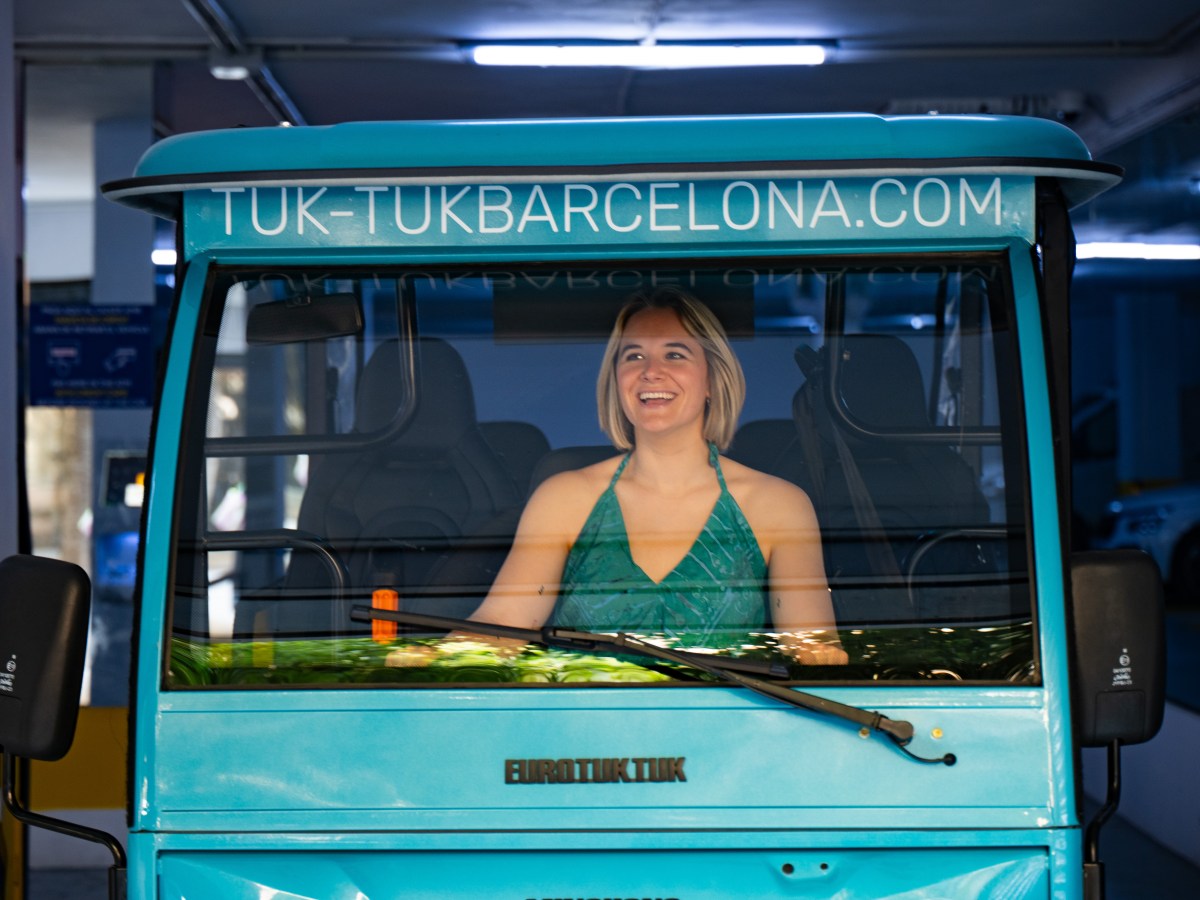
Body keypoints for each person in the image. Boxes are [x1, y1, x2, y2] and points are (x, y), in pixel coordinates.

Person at [390, 287, 848, 666]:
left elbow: (811, 650)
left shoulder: (778, 505)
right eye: (634, 356)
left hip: (729, 738)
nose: (651, 372)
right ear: (616, 379)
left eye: (675, 354)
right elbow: (504, 624)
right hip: (580, 738)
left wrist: (822, 657)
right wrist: (435, 655)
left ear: (712, 379)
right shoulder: (564, 498)